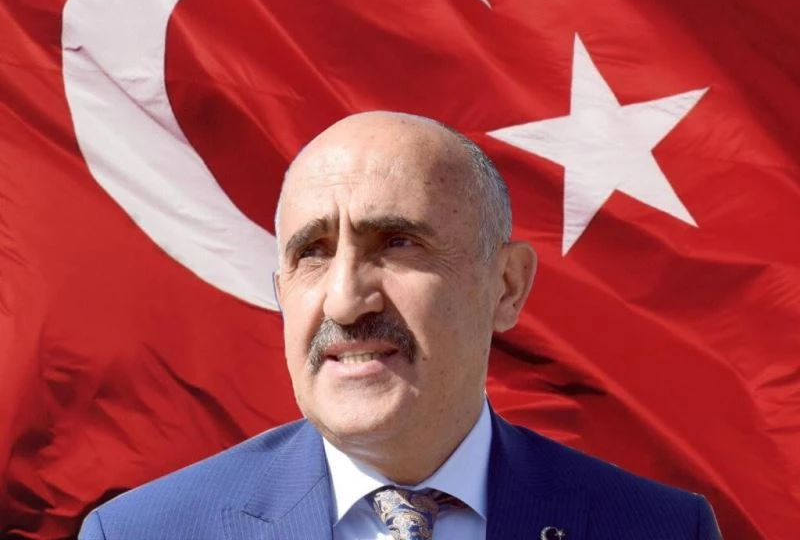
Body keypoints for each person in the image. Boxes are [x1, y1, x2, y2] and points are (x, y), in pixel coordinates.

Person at [79, 111, 722, 539]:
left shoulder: (660, 529)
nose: (344, 302)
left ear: (505, 286)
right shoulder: (141, 533)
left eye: (397, 243)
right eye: (313, 253)